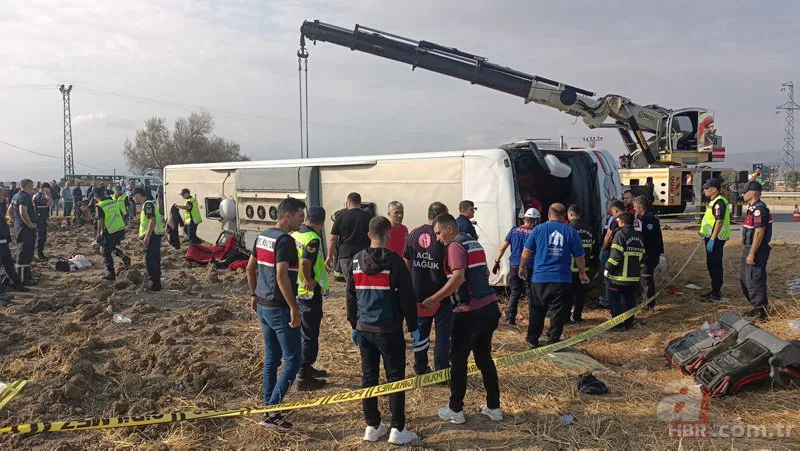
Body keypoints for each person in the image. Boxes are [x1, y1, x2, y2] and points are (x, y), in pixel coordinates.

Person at [421, 213, 502, 425]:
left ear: (449, 228)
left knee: (457, 362)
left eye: (438, 233)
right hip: (489, 309)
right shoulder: (474, 243)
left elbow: (458, 278)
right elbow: (483, 272)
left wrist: (435, 298)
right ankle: (494, 407)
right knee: (484, 360)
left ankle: (455, 409)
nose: (437, 238)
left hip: (468, 312)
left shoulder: (455, 247)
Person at [348, 216, 419, 445]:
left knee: (369, 376)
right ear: (388, 235)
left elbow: (350, 296)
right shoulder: (395, 262)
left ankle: (372, 425)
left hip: (364, 329)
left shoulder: (356, 260)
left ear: (369, 235)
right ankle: (398, 429)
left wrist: (353, 324)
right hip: (389, 330)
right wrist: (414, 327)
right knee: (395, 378)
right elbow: (407, 297)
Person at [246, 197, 305, 431]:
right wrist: (293, 307)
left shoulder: (262, 238)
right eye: (301, 216)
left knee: (272, 359)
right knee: (294, 360)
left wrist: (253, 294)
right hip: (280, 308)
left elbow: (250, 268)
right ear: (287, 215)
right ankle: (272, 412)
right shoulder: (286, 242)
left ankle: (268, 406)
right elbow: (281, 276)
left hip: (263, 305)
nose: (303, 220)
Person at [519, 203, 589, 348]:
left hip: (540, 278)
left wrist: (522, 267)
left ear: (548, 214)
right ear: (564, 216)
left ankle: (532, 340)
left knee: (537, 310)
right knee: (558, 312)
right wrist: (582, 273)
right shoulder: (570, 231)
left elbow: (526, 251)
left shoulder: (538, 229)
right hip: (562, 279)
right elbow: (579, 256)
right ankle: (553, 340)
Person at [403, 201, 451, 376]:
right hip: (441, 293)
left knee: (421, 331)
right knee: (443, 334)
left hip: (419, 292)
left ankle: (420, 367)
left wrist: (412, 280)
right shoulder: (443, 234)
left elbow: (407, 259)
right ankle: (442, 369)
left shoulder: (414, 234)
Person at [291, 206, 329, 390]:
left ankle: (306, 367)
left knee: (304, 332)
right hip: (308, 293)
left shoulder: (297, 234)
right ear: (321, 223)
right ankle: (303, 375)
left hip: (297, 291)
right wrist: (308, 279)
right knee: (309, 334)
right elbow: (305, 262)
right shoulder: (312, 238)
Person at [326, 192, 371, 323]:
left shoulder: (341, 216)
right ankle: (364, 313)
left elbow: (333, 239)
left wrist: (329, 256)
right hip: (364, 254)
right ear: (360, 203)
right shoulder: (367, 216)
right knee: (363, 284)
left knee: (350, 285)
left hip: (345, 255)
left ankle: (352, 316)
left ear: (348, 203)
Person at [492, 208, 540, 326]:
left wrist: (496, 261)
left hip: (514, 265)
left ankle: (510, 318)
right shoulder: (536, 232)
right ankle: (533, 319)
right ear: (536, 221)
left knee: (515, 292)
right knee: (530, 293)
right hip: (529, 266)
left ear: (524, 219)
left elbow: (503, 247)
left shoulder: (513, 231)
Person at [605, 211, 646, 330]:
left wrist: (607, 268)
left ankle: (617, 324)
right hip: (633, 277)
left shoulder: (620, 235)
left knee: (615, 301)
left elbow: (615, 257)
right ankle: (629, 322)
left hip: (618, 277)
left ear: (621, 222)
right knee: (630, 300)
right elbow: (642, 257)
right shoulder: (639, 236)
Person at [740, 182, 772, 321]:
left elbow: (759, 233)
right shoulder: (752, 208)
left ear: (753, 193)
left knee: (755, 279)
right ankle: (756, 307)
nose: (742, 194)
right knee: (745, 278)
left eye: (745, 191)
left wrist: (752, 253)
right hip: (749, 247)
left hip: (757, 250)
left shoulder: (759, 209)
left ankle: (761, 311)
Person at [697, 178, 730, 303]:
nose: (704, 190)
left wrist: (712, 238)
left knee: (715, 265)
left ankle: (716, 293)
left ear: (714, 189)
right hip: (713, 238)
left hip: (716, 239)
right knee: (711, 265)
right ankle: (714, 290)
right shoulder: (715, 201)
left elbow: (719, 221)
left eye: (707, 188)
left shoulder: (719, 203)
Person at [95, 187, 131, 281]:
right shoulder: (113, 202)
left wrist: (98, 234)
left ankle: (111, 274)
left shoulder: (100, 205)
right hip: (119, 228)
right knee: (111, 247)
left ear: (95, 196)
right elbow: (121, 214)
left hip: (110, 230)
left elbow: (101, 220)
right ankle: (124, 258)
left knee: (105, 251)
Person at [634, 195, 664, 308]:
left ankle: (648, 304)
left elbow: (648, 238)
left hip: (649, 254)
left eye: (635, 206)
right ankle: (645, 300)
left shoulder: (648, 218)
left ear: (641, 207)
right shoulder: (648, 215)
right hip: (651, 253)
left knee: (646, 279)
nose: (634, 209)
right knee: (645, 278)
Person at [567, 204, 595, 323]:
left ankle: (566, 316)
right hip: (585, 268)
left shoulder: (568, 228)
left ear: (570, 214)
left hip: (569, 269)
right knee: (580, 294)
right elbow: (594, 247)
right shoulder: (589, 228)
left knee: (567, 295)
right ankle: (577, 316)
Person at [133, 188, 163, 291]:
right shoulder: (147, 204)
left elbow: (152, 220)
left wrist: (147, 236)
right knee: (154, 259)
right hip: (154, 235)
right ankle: (156, 282)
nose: (134, 198)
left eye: (135, 196)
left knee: (150, 260)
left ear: (140, 195)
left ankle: (154, 284)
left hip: (152, 236)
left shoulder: (148, 204)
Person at [10, 179, 38, 286]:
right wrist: (29, 224)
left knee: (27, 252)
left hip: (20, 227)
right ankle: (23, 279)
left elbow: (10, 211)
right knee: (25, 253)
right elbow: (23, 212)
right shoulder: (24, 197)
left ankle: (27, 275)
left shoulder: (16, 195)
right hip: (26, 229)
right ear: (29, 186)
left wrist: (16, 221)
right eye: (32, 185)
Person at [0, 187, 26, 292]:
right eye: (2, 195)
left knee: (8, 263)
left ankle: (15, 283)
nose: (5, 197)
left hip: (3, 239)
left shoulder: (1, 206)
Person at [32, 182, 51, 261]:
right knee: (40, 237)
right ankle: (39, 254)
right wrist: (48, 195)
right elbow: (47, 202)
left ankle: (40, 252)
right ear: (44, 188)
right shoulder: (38, 196)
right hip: (39, 220)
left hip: (42, 219)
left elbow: (49, 204)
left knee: (42, 237)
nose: (50, 190)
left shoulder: (41, 196)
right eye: (48, 189)